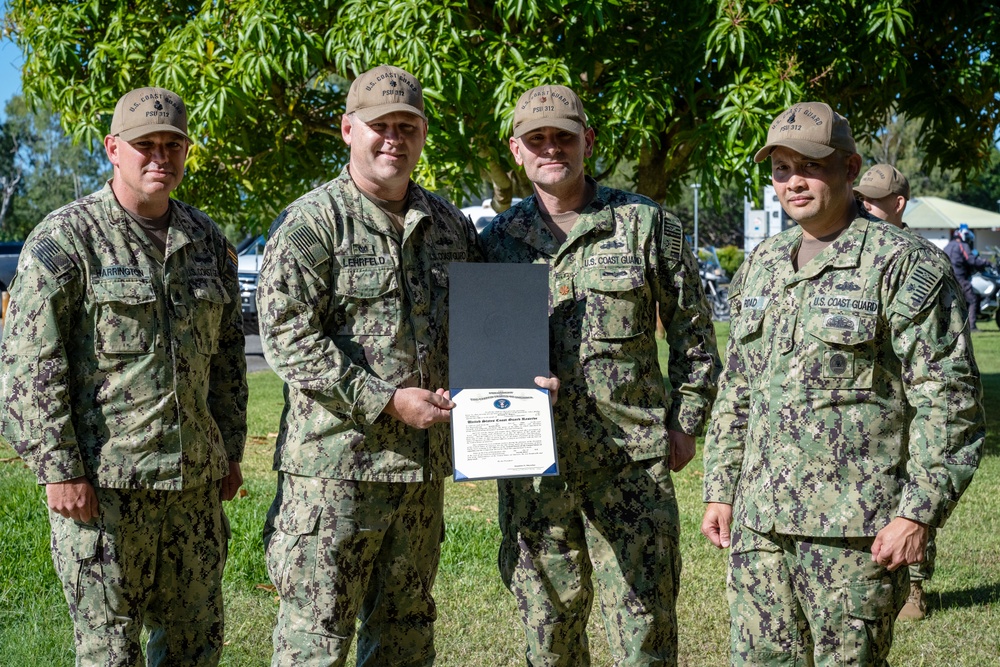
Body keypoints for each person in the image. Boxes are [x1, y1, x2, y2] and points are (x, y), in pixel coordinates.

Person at [701, 101, 984, 665]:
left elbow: (949, 401)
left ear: (850, 170)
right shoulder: (763, 263)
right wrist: (720, 486)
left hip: (854, 534)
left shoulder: (903, 263)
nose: (793, 182)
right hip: (759, 528)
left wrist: (918, 513)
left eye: (810, 165)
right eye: (781, 169)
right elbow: (738, 387)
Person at [257, 65, 500, 666]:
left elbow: (483, 326)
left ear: (422, 135)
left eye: (407, 126)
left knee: (406, 635)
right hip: (334, 476)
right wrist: (386, 400)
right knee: (316, 639)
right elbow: (287, 338)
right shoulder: (312, 224)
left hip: (418, 478)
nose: (393, 138)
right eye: (379, 126)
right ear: (348, 129)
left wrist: (514, 380)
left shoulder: (448, 225)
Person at [0, 87, 248, 666]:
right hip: (104, 494)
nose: (160, 156)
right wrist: (59, 469)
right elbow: (28, 365)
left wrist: (230, 451)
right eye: (145, 145)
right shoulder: (67, 240)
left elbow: (229, 362)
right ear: (114, 148)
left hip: (193, 490)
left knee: (195, 645)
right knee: (110, 651)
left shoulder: (209, 243)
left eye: (173, 145)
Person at [481, 84, 721, 666]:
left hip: (630, 464)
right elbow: (479, 347)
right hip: (534, 469)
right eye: (536, 139)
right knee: (549, 629)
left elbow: (695, 332)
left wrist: (685, 423)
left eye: (563, 136)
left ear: (587, 141)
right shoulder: (496, 242)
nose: (551, 148)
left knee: (644, 630)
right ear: (516, 150)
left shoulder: (645, 225)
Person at [854, 163, 955, 620]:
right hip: (874, 401)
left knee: (915, 485)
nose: (865, 206)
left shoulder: (924, 258)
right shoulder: (854, 252)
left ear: (898, 204)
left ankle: (915, 585)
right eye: (862, 198)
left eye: (874, 200)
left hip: (916, 397)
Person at [944, 225, 991, 330]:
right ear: (963, 236)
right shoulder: (962, 245)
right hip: (959, 277)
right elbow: (971, 260)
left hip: (947, 277)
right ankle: (972, 327)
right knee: (972, 299)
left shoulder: (948, 245)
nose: (969, 241)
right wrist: (986, 262)